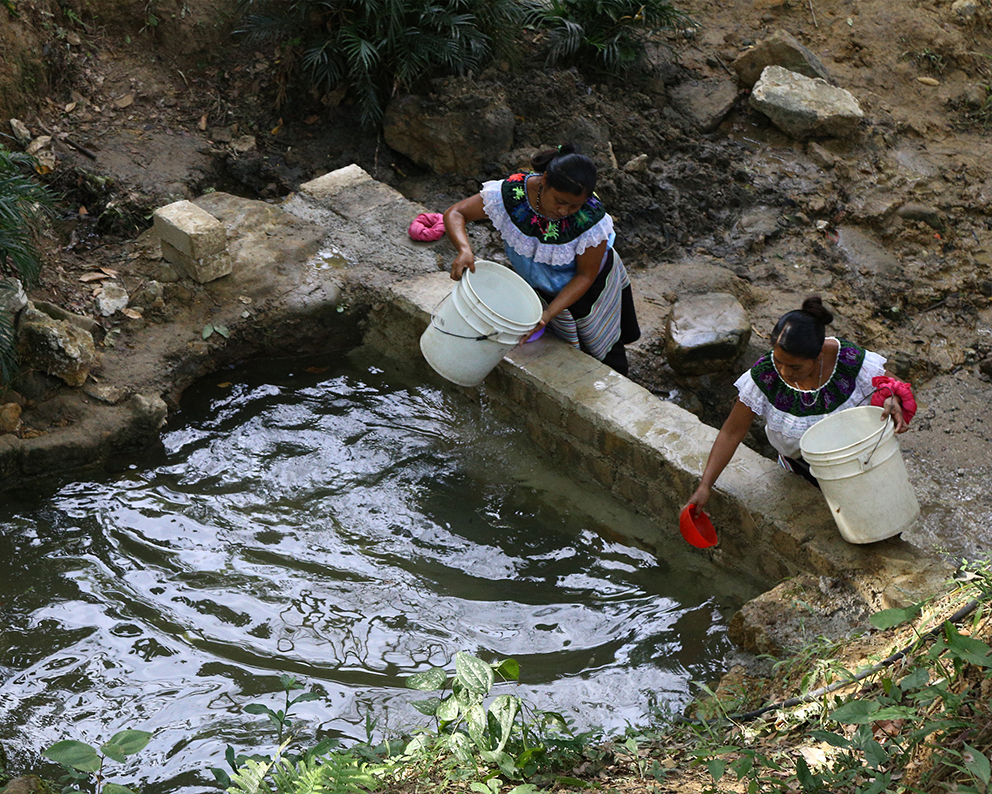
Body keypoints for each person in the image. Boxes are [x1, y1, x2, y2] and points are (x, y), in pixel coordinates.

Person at [685, 296, 911, 514]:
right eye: (778, 361)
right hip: (800, 471)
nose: (784, 372)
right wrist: (705, 485)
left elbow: (897, 386)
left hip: (857, 461)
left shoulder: (847, 360)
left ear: (819, 354)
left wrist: (892, 399)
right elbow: (731, 432)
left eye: (795, 367)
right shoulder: (765, 376)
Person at [442, 144, 640, 375]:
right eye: (559, 201)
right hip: (540, 286)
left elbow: (585, 275)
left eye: (574, 206)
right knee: (562, 346)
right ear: (545, 180)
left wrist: (548, 313)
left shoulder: (590, 219)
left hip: (590, 288)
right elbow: (456, 213)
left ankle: (616, 379)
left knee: (600, 341)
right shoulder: (513, 195)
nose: (564, 211)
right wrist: (464, 249)